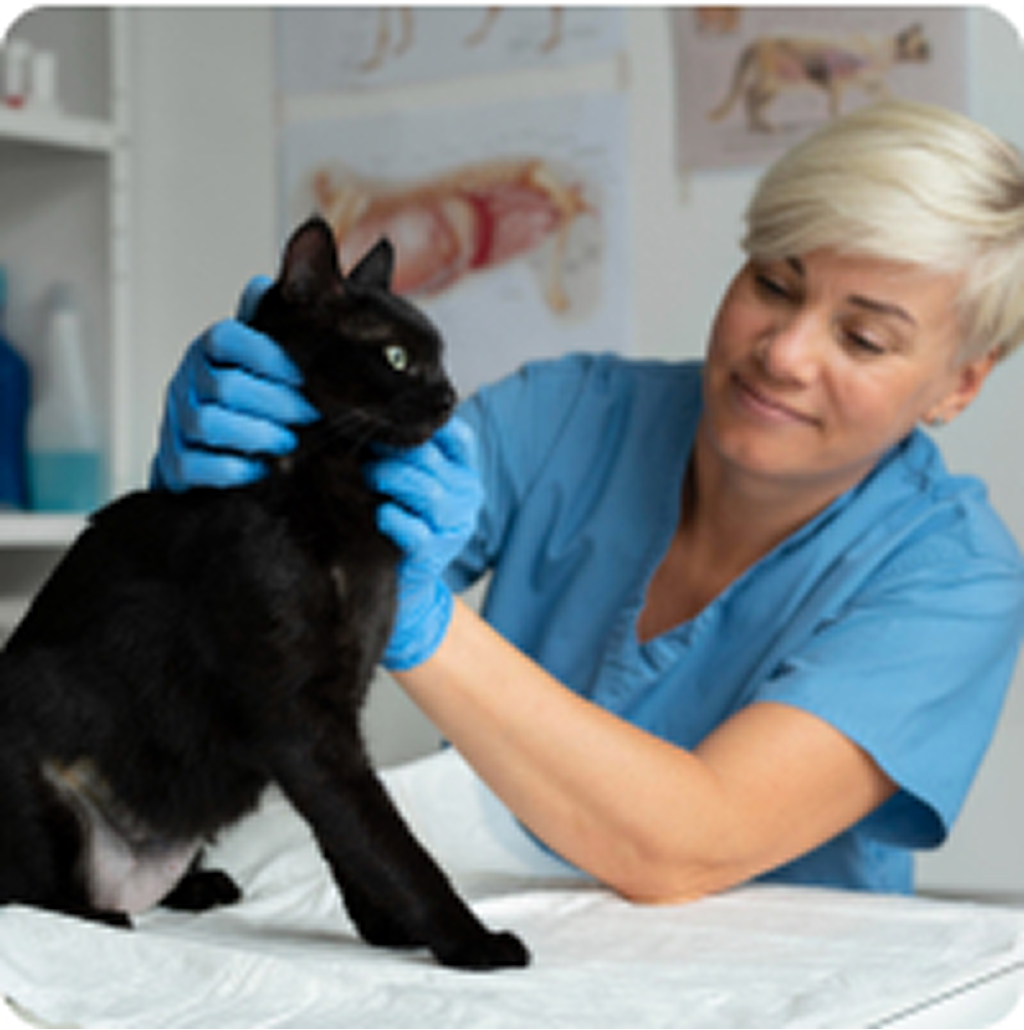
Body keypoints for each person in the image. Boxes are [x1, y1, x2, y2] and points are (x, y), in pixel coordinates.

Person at [152, 100, 1024, 902]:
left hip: (773, 979)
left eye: (863, 338)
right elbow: (239, 622)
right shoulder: (566, 415)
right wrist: (219, 495)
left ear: (961, 384)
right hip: (511, 934)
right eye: (773, 285)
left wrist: (410, 612)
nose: (785, 353)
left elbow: (691, 845)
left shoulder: (956, 578)